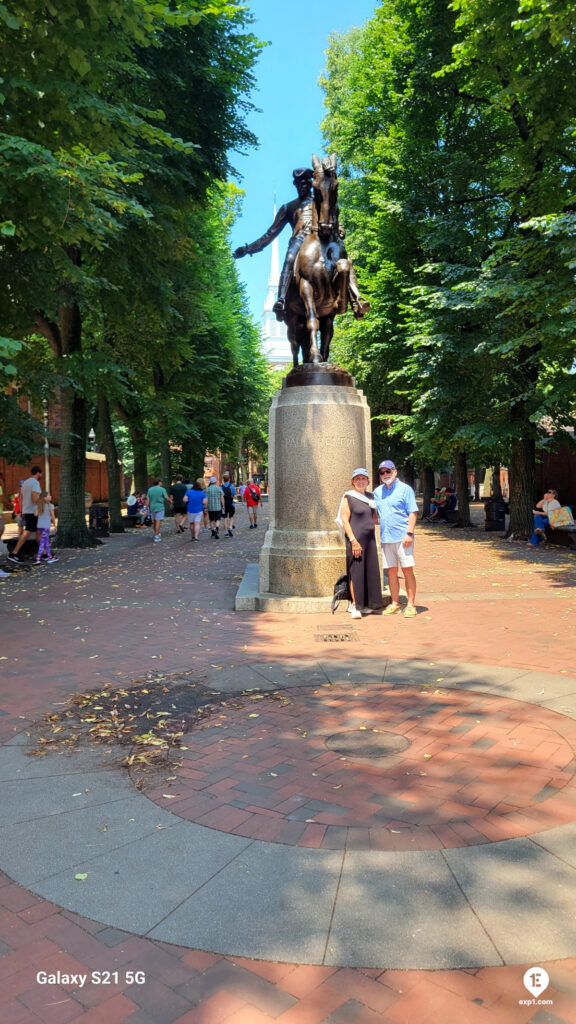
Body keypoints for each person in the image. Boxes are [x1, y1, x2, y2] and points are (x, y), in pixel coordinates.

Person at [233, 167, 369, 322]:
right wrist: (248, 249)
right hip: (299, 241)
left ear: (310, 184)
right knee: (290, 259)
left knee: (344, 258)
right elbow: (270, 234)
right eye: (298, 184)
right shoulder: (288, 207)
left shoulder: (320, 203)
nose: (300, 187)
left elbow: (333, 216)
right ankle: (281, 300)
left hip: (322, 240)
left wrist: (340, 228)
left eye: (304, 184)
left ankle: (356, 300)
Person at [373, 460, 419, 618]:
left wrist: (409, 533)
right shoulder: (377, 492)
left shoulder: (405, 489)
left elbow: (413, 512)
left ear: (395, 471)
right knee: (391, 572)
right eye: (382, 472)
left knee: (407, 570)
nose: (385, 474)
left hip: (403, 537)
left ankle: (411, 605)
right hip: (386, 538)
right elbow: (374, 512)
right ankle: (395, 604)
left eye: (388, 471)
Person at [336, 468, 382, 619]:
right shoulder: (348, 497)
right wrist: (353, 541)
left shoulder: (371, 497)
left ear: (368, 481)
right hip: (356, 540)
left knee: (369, 571)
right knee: (356, 572)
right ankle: (355, 605)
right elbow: (344, 520)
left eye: (363, 478)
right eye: (357, 479)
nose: (360, 481)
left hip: (370, 540)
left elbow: (374, 519)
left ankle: (367, 604)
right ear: (353, 481)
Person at [8, 466, 42, 563]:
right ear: (38, 473)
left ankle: (44, 553)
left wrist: (22, 511)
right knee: (27, 532)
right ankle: (14, 553)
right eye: (41, 474)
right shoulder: (35, 483)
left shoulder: (25, 483)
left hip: (27, 511)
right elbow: (35, 498)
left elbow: (21, 498)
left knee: (38, 532)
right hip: (33, 511)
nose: (41, 475)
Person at [35, 491, 58, 563]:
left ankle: (49, 557)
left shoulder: (39, 505)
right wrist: (54, 525)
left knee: (45, 542)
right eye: (49, 495)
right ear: (45, 498)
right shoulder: (50, 506)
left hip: (40, 526)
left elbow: (35, 514)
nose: (50, 496)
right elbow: (53, 517)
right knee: (44, 542)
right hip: (46, 526)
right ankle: (39, 558)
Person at [146, 478, 169, 542]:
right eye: (161, 482)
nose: (162, 483)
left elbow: (148, 499)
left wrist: (146, 507)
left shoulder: (150, 489)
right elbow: (166, 498)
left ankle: (157, 533)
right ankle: (156, 536)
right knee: (158, 521)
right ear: (159, 482)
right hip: (160, 507)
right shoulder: (162, 489)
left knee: (155, 521)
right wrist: (171, 501)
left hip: (152, 507)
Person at [221, 472, 237, 537]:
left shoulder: (221, 487)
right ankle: (230, 527)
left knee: (225, 518)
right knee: (231, 516)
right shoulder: (232, 486)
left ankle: (226, 532)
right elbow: (235, 496)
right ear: (229, 479)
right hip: (231, 504)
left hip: (224, 505)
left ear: (223, 479)